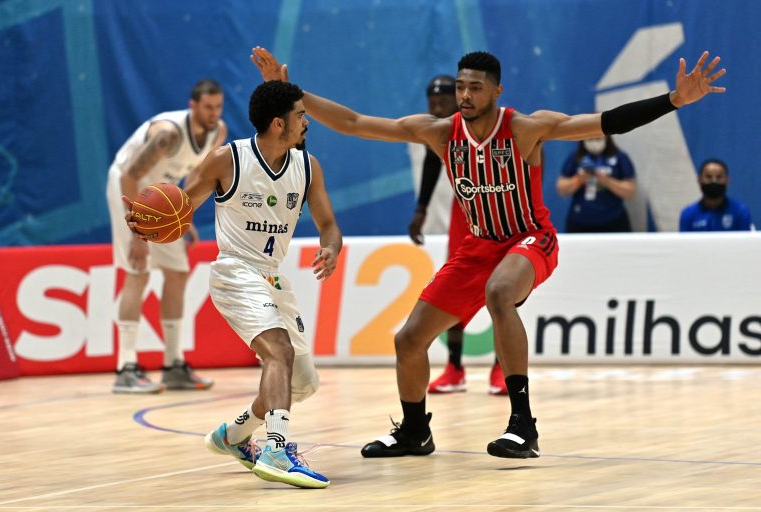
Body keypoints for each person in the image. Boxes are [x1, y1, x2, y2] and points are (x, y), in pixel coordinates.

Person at [252, 46, 725, 459]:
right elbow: (355, 124)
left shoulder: (525, 128)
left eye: (475, 88)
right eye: (461, 87)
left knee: (500, 292)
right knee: (408, 340)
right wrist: (292, 93)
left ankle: (523, 426)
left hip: (530, 238)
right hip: (479, 246)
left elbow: (604, 121)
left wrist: (673, 100)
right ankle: (415, 432)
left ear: (496, 91)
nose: (464, 95)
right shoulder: (441, 133)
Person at [129, 80, 341, 488]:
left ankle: (234, 436)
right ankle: (276, 451)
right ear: (278, 123)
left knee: (303, 383)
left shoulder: (308, 166)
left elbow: (329, 225)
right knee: (278, 350)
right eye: (300, 115)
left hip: (274, 277)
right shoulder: (227, 160)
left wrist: (330, 248)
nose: (307, 122)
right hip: (235, 271)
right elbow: (181, 208)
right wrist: (148, 223)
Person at [106, 79, 227, 393]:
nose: (214, 113)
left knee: (177, 273)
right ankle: (125, 368)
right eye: (207, 107)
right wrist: (137, 234)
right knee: (138, 273)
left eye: (218, 106)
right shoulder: (167, 135)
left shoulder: (218, 131)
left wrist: (183, 215)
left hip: (162, 197)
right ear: (192, 106)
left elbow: (196, 172)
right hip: (128, 189)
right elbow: (129, 175)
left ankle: (174, 365)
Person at [408, 74, 507, 395]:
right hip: (464, 212)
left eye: (442, 102)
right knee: (454, 288)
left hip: (497, 212)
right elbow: (432, 165)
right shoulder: (443, 133)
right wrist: (421, 210)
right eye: (432, 104)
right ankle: (454, 367)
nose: (437, 109)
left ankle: (501, 367)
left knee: (501, 290)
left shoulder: (494, 124)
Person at [555, 136, 637, 232]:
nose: (594, 142)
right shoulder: (575, 157)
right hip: (580, 221)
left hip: (613, 220)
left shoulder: (620, 157)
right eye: (590, 139)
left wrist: (607, 181)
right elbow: (561, 189)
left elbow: (630, 191)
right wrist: (579, 180)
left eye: (598, 139)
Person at [679, 159, 753, 231]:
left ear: (727, 180)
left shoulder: (740, 212)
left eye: (719, 177)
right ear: (699, 180)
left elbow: (745, 239)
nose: (714, 181)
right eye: (708, 177)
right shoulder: (688, 214)